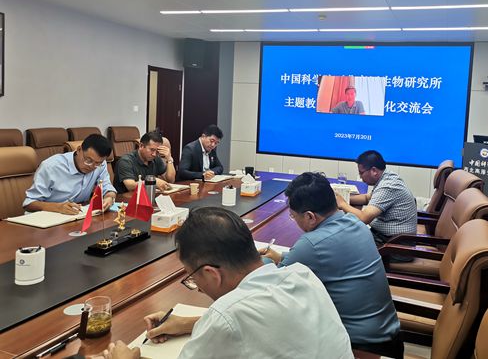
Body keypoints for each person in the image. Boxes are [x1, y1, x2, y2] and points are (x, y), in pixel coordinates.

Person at [100, 207, 353, 359]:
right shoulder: (301, 274)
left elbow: (234, 319)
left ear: (212, 274)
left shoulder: (226, 315)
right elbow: (263, 322)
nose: (198, 287)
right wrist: (191, 323)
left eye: (192, 277)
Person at [260, 172, 402, 357]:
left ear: (310, 217)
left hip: (358, 346)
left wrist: (259, 259)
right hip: (389, 337)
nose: (294, 221)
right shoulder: (355, 222)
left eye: (293, 216)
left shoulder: (311, 244)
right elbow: (329, 259)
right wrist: (282, 256)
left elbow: (271, 283)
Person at [336, 150, 417, 246]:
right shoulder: (387, 177)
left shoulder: (388, 186)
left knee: (342, 241)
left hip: (394, 244)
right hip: (385, 237)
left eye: (361, 173)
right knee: (347, 234)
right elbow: (367, 198)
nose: (360, 177)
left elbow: (363, 218)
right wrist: (341, 198)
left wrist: (342, 204)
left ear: (374, 171)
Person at [23, 134, 117, 214]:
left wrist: (109, 198)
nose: (92, 166)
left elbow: (107, 187)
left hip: (76, 216)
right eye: (88, 160)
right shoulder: (51, 167)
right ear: (79, 150)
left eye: (97, 163)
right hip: (47, 218)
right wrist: (58, 207)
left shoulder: (100, 165)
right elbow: (29, 203)